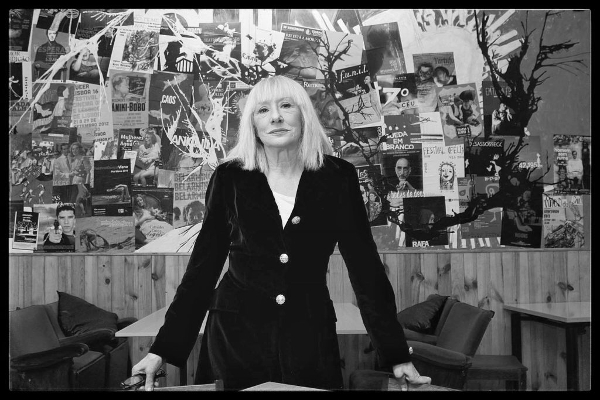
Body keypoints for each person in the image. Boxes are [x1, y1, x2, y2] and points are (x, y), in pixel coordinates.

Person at [131, 75, 430, 391]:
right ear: (253, 124)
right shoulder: (230, 177)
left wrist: (396, 355)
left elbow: (366, 270)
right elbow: (202, 269)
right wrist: (161, 350)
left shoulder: (337, 177)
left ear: (303, 115)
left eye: (286, 105)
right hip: (235, 336)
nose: (275, 117)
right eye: (263, 110)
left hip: (308, 336)